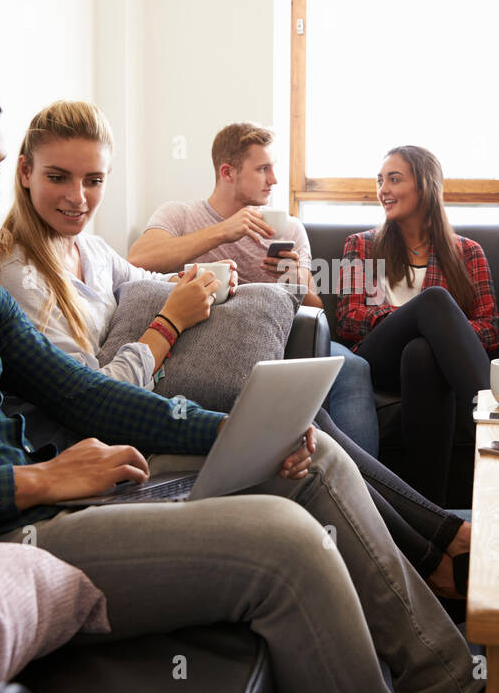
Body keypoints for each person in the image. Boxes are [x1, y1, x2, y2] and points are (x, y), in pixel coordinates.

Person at [0, 63, 483, 693]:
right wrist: (29, 481)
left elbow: (84, 396)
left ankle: (453, 684)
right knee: (285, 545)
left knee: (308, 457)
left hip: (52, 497)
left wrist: (232, 433)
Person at [0, 100, 471, 599]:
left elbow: (151, 280)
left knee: (310, 424)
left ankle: (443, 539)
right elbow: (89, 400)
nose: (79, 198)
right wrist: (171, 320)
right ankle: (436, 558)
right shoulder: (18, 276)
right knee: (303, 445)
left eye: (94, 181)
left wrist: (206, 284)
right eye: (60, 177)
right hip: (104, 445)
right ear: (24, 172)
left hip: (150, 405)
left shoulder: (91, 250)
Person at [127, 123, 380, 458]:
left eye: (273, 169)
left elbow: (316, 309)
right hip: (205, 342)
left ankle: (354, 486)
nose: (274, 179)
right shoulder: (180, 214)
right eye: (263, 169)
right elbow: (139, 258)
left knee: (351, 366)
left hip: (283, 339)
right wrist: (223, 232)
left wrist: (292, 276)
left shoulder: (287, 227)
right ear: (227, 172)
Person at [336, 146, 499, 507]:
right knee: (435, 301)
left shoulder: (467, 252)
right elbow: (348, 317)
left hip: (428, 367)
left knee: (422, 352)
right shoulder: (361, 246)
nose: (384, 190)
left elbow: (490, 330)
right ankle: (495, 417)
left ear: (425, 187)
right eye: (380, 181)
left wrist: (434, 333)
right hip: (378, 361)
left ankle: (432, 520)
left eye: (395, 179)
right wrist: (411, 318)